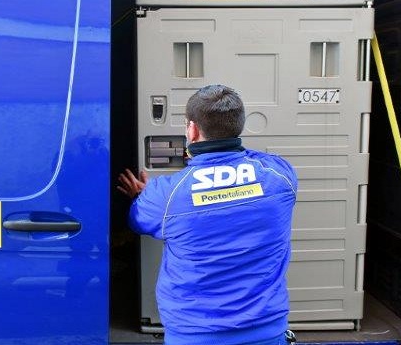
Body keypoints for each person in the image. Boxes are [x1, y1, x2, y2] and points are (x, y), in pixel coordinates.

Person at [117, 84, 297, 345]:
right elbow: (251, 159)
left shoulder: (165, 195)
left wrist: (141, 196)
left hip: (194, 335)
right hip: (267, 331)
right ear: (239, 126)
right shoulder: (280, 175)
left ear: (192, 130)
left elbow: (137, 221)